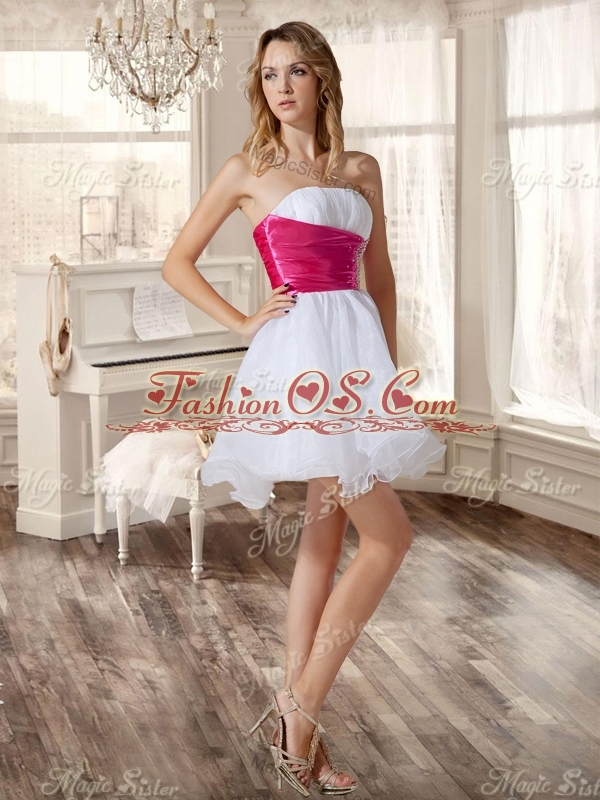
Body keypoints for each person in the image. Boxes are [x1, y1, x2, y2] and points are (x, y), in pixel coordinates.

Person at [161, 20, 446, 797]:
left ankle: (299, 742)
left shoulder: (360, 169)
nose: (281, 86)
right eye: (268, 74)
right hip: (299, 364)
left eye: (295, 71)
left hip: (356, 365)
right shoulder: (247, 169)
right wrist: (241, 321)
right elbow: (177, 261)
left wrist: (387, 380)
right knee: (390, 537)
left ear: (322, 77)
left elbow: (380, 280)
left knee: (323, 544)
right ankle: (300, 709)